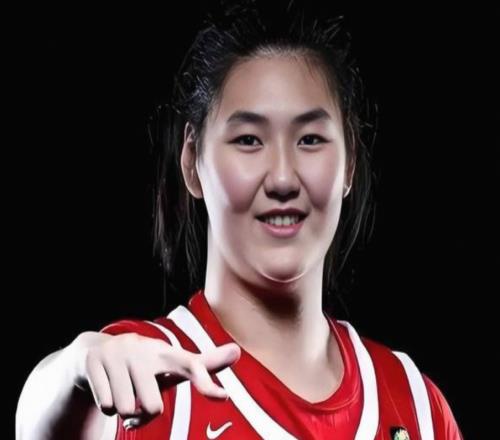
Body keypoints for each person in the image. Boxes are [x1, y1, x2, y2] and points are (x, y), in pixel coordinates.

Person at [16, 1, 464, 439]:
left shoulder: (416, 406)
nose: (283, 178)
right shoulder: (145, 373)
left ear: (349, 162)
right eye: (249, 140)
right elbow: (42, 421)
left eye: (310, 139)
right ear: (192, 161)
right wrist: (76, 369)